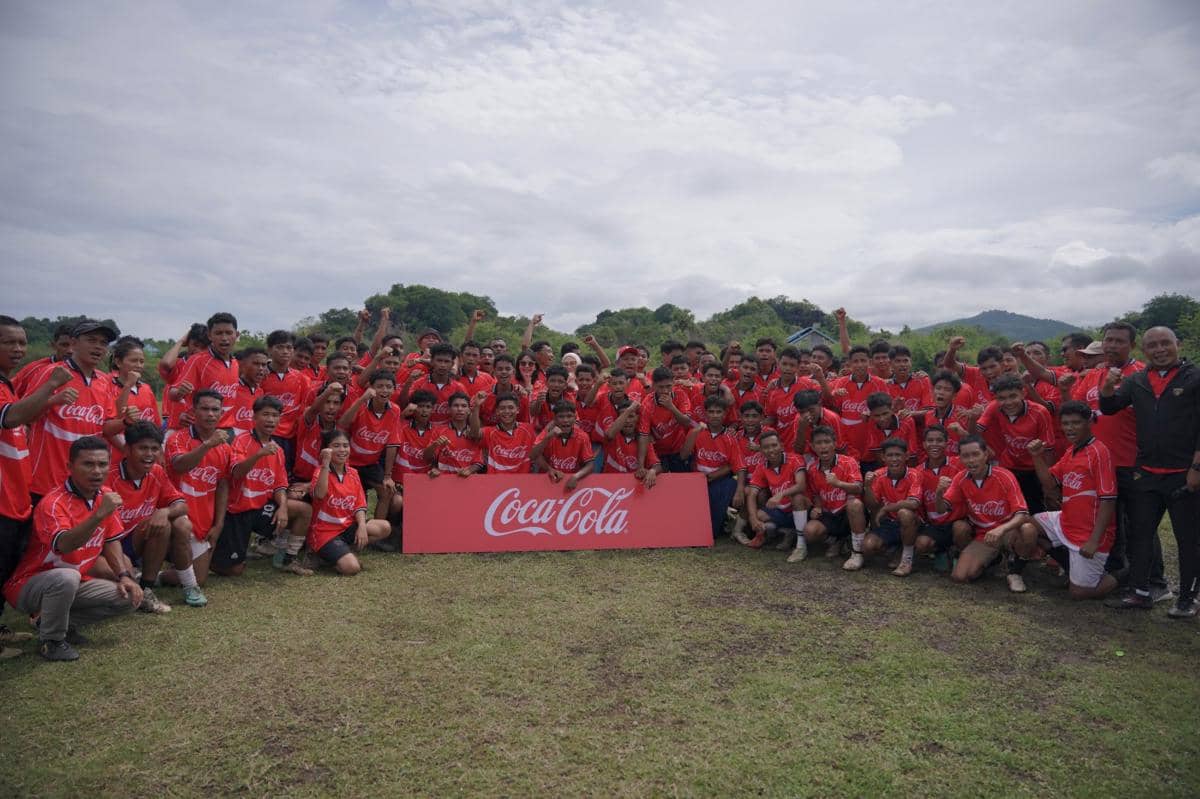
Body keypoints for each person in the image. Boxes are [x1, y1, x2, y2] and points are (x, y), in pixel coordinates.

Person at [3, 436, 139, 661]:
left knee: (128, 597)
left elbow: (111, 539)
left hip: (76, 581)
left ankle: (49, 621)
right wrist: (98, 515)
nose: (97, 471)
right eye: (88, 464)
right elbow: (64, 545)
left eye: (102, 464)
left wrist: (124, 575)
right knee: (67, 577)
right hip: (29, 585)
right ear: (70, 467)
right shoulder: (53, 503)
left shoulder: (104, 495)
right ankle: (52, 641)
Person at [1099, 326, 1199, 617]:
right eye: (1152, 345)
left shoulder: (1194, 378)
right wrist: (1108, 386)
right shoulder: (1138, 380)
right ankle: (1140, 591)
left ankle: (1188, 597)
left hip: (1184, 472)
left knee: (1188, 538)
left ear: (1177, 344)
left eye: (1165, 343)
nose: (1159, 349)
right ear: (1144, 351)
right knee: (1140, 534)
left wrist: (1196, 468)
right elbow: (1110, 408)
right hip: (1146, 472)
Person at [1067, 322, 1169, 600]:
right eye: (1108, 340)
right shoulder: (1094, 375)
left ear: (1132, 345)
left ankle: (1156, 582)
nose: (1112, 345)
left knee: (1140, 523)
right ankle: (1122, 575)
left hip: (1133, 463)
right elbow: (1077, 410)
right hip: (1099, 463)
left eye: (1119, 341)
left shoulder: (1142, 376)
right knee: (1111, 523)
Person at [0, 317, 78, 652]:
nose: (18, 349)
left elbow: (22, 417)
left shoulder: (8, 385)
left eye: (21, 342)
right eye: (9, 342)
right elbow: (12, 417)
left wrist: (49, 401)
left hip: (15, 495)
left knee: (6, 565)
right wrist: (51, 384)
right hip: (2, 498)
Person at [1022, 402, 1118, 599]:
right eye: (1066, 423)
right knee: (1027, 527)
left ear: (1089, 423)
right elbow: (1049, 483)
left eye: (1076, 423)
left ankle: (1122, 574)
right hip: (1067, 520)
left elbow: (1108, 500)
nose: (1070, 428)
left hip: (1088, 532)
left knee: (1079, 593)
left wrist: (1094, 541)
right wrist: (1037, 457)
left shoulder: (1099, 453)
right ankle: (1069, 565)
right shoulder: (1072, 450)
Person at [105, 422, 205, 611]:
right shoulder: (109, 476)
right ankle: (141, 584)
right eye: (143, 448)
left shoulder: (157, 472)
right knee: (164, 526)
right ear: (127, 449)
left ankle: (176, 585)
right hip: (113, 545)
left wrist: (165, 511)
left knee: (180, 524)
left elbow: (182, 506)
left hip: (141, 541)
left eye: (154, 448)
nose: (149, 454)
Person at [25, 319, 124, 501]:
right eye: (91, 340)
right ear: (74, 343)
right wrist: (52, 401)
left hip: (86, 482)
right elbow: (24, 416)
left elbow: (105, 427)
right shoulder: (52, 373)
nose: (98, 347)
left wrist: (124, 422)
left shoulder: (104, 381)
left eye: (103, 343)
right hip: (46, 480)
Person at [216, 397, 312, 577]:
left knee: (303, 509)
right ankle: (209, 557)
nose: (270, 420)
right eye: (265, 414)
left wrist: (283, 507)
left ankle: (286, 559)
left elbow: (279, 485)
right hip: (237, 511)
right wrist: (258, 455)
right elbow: (236, 473)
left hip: (261, 508)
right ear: (254, 417)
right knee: (235, 570)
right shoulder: (240, 441)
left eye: (275, 415)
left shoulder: (278, 450)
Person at [937, 435, 1031, 592]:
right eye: (965, 456)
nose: (971, 460)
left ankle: (1016, 572)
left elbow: (1022, 514)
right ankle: (996, 559)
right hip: (984, 535)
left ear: (986, 454)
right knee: (960, 577)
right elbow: (942, 509)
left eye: (975, 454)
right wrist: (939, 493)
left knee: (1028, 529)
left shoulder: (1004, 475)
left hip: (1007, 530)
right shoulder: (960, 478)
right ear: (960, 458)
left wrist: (1001, 529)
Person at [163, 390, 231, 589]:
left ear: (221, 413)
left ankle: (155, 576)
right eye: (204, 409)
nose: (210, 414)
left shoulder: (225, 447)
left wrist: (218, 524)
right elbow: (179, 466)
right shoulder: (177, 438)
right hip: (177, 516)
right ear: (194, 411)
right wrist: (208, 445)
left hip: (203, 521)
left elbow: (222, 485)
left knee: (200, 579)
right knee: (179, 529)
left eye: (215, 410)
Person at [308, 430, 391, 575]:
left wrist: (362, 526)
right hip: (324, 532)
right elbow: (319, 495)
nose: (342, 450)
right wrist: (325, 464)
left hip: (347, 527)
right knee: (352, 568)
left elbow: (359, 505)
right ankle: (322, 554)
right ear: (326, 449)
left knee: (384, 527)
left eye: (345, 446)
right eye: (336, 446)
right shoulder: (320, 472)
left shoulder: (353, 473)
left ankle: (344, 551)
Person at [338, 372, 401, 521]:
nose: (384, 390)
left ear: (394, 389)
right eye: (379, 386)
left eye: (388, 387)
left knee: (387, 491)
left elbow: (392, 444)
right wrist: (362, 399)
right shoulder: (360, 403)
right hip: (350, 462)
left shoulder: (395, 410)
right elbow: (342, 423)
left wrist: (387, 476)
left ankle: (378, 529)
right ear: (371, 388)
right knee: (352, 494)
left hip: (371, 463)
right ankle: (350, 528)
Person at [801, 426, 867, 566]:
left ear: (835, 443)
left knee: (854, 504)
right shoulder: (812, 468)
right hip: (829, 515)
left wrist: (838, 483)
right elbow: (815, 493)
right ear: (812, 446)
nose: (823, 446)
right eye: (818, 443)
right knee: (809, 532)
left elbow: (859, 488)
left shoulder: (849, 462)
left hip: (848, 514)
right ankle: (837, 541)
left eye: (827, 442)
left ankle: (857, 553)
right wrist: (817, 506)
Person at [681, 396, 746, 539]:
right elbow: (684, 455)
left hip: (719, 481)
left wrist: (740, 491)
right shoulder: (697, 432)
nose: (715, 415)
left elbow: (739, 466)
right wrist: (695, 432)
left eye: (718, 412)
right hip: (696, 481)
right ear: (706, 413)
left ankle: (720, 522)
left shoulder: (730, 437)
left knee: (712, 531)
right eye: (711, 412)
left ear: (725, 414)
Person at [861, 439, 923, 576]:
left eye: (898, 455)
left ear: (906, 456)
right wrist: (867, 487)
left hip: (912, 522)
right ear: (883, 457)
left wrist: (887, 508)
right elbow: (872, 505)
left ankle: (906, 559)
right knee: (867, 547)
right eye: (890, 455)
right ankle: (894, 549)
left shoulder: (915, 473)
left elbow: (914, 503)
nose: (894, 459)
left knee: (904, 513)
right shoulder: (878, 474)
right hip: (889, 523)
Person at [819, 345, 888, 460]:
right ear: (850, 363)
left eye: (863, 361)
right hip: (847, 443)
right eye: (855, 361)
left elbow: (887, 412)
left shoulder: (879, 383)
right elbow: (833, 410)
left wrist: (871, 413)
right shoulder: (840, 382)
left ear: (869, 362)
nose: (859, 365)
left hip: (872, 442)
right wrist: (834, 395)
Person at [175, 312, 241, 426]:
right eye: (218, 333)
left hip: (229, 429)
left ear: (237, 335)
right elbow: (173, 393)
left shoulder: (235, 363)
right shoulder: (197, 360)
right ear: (209, 335)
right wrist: (179, 392)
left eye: (229, 333)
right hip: (203, 429)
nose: (224, 338)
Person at [745, 431, 806, 550]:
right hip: (781, 510)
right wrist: (753, 518)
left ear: (781, 446)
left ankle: (801, 545)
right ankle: (786, 532)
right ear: (761, 450)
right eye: (766, 447)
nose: (771, 450)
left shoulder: (795, 459)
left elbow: (801, 485)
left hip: (801, 507)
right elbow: (752, 494)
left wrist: (781, 494)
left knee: (797, 497)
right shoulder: (762, 465)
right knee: (758, 515)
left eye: (774, 445)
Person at [915, 425, 963, 573]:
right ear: (924, 444)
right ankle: (940, 550)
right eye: (930, 440)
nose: (934, 444)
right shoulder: (918, 471)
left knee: (961, 528)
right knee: (921, 545)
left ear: (947, 443)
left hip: (957, 520)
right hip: (934, 524)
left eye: (939, 440)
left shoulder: (959, 463)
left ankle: (959, 553)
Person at [262, 330, 311, 470]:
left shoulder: (302, 379)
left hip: (291, 437)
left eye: (289, 348)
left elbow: (306, 406)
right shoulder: (260, 376)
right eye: (280, 347)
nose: (285, 351)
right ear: (270, 350)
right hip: (266, 435)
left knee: (285, 476)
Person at [637, 366, 695, 473]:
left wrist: (671, 407)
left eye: (668, 386)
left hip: (679, 450)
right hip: (658, 452)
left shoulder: (681, 395)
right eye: (661, 387)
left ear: (673, 383)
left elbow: (687, 422)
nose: (665, 391)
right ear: (653, 385)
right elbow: (643, 435)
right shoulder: (647, 404)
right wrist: (640, 466)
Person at [531, 401, 594, 489]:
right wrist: (547, 438)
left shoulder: (582, 436)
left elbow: (590, 465)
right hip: (547, 480)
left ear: (575, 418)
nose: (565, 420)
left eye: (569, 416)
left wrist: (576, 477)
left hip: (571, 483)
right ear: (555, 419)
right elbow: (533, 455)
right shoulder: (548, 432)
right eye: (561, 417)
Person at [602, 400, 661, 489]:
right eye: (624, 416)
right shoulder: (613, 435)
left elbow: (657, 465)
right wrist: (629, 410)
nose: (627, 421)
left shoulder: (643, 440)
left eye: (631, 416)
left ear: (637, 418)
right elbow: (610, 434)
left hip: (633, 488)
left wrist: (652, 471)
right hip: (611, 486)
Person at [474, 393, 536, 474]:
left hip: (522, 482)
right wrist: (476, 407)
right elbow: (474, 434)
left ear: (517, 410)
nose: (507, 411)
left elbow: (537, 455)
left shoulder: (528, 429)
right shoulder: (489, 432)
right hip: (496, 482)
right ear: (497, 411)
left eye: (511, 408)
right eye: (502, 408)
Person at [426, 392, 484, 478]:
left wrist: (469, 470)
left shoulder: (473, 432)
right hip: (443, 481)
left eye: (464, 406)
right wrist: (435, 444)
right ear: (449, 409)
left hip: (468, 482)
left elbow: (478, 463)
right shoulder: (439, 430)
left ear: (469, 410)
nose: (460, 409)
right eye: (456, 406)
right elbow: (426, 456)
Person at [861, 391, 920, 471]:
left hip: (905, 467)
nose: (882, 419)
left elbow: (912, 455)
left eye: (885, 414)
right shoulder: (872, 421)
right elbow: (878, 453)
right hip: (881, 466)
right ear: (871, 414)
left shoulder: (907, 421)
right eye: (877, 415)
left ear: (892, 409)